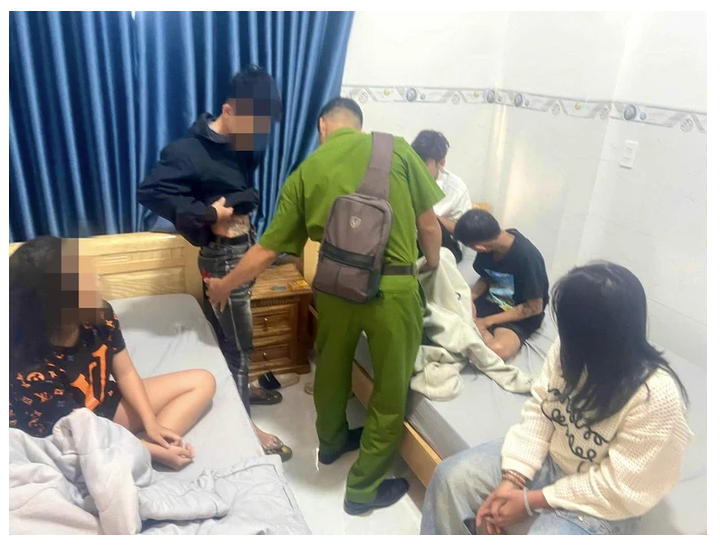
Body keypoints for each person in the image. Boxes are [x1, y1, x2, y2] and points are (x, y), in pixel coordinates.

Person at [205, 97, 444, 514]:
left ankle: (331, 444)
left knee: (331, 367)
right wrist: (434, 265)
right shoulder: (398, 149)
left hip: (334, 289)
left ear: (322, 126)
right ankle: (362, 490)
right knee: (390, 387)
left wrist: (224, 284)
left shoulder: (305, 171)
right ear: (359, 124)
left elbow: (266, 250)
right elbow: (429, 225)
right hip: (393, 291)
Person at [421, 262, 692, 535]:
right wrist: (512, 479)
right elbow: (542, 411)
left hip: (603, 499)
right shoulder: (569, 350)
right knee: (450, 478)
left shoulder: (654, 396)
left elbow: (620, 486)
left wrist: (530, 501)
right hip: (552, 459)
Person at [136, 65, 291, 461]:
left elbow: (243, 187)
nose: (258, 136)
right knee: (241, 348)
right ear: (228, 109)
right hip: (222, 258)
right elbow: (150, 192)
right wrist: (207, 215)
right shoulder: (186, 152)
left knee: (234, 339)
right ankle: (247, 428)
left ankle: (240, 390)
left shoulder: (247, 144)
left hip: (246, 248)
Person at [9, 236, 217, 470]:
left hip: (99, 405)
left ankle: (139, 449)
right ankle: (137, 451)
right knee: (79, 458)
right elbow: (73, 437)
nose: (97, 284)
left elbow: (126, 373)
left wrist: (152, 424)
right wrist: (148, 451)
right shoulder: (29, 369)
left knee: (202, 381)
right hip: (59, 434)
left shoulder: (100, 315)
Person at [454, 209, 549, 360]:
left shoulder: (527, 258)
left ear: (479, 247)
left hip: (518, 312)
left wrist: (486, 322)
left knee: (497, 350)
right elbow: (487, 276)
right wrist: (470, 298)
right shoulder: (490, 245)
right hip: (494, 298)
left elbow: (534, 307)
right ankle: (477, 331)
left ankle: (479, 331)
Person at [411, 130, 472, 234]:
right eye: (414, 163)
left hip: (440, 239)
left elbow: (465, 231)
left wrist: (430, 217)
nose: (417, 170)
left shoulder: (456, 188)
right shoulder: (401, 177)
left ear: (441, 163)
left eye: (423, 166)